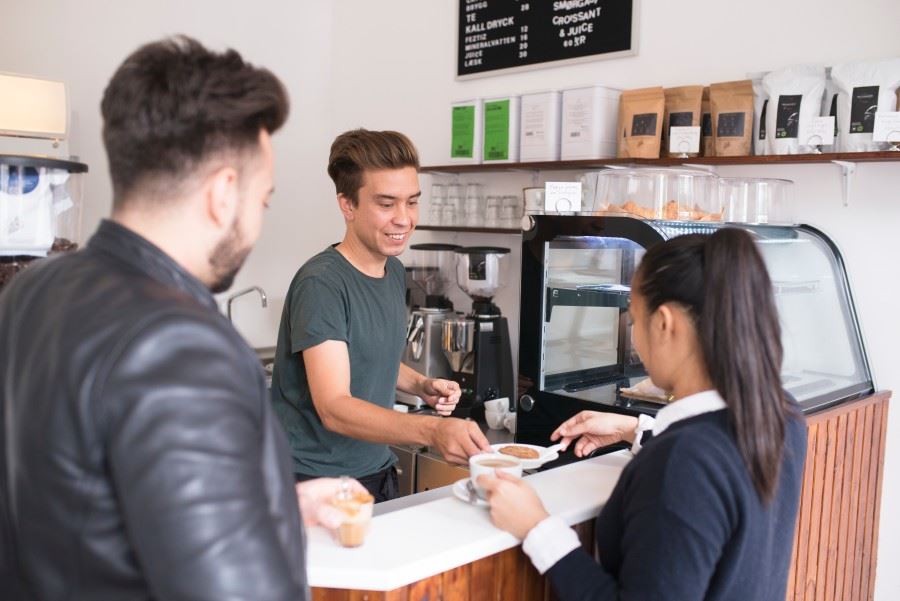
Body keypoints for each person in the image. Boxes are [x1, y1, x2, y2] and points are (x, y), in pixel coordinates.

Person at [0, 36, 365, 601]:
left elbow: (80, 500)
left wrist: (270, 507)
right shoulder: (183, 346)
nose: (258, 220)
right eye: (262, 200)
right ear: (223, 193)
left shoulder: (32, 290)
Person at [479, 228, 807, 601]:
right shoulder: (782, 413)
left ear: (665, 323)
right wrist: (635, 429)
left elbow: (694, 472)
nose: (633, 336)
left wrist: (536, 527)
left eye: (633, 319)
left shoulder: (680, 461)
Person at [270, 129, 491, 502]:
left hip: (376, 467)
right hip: (315, 480)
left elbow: (367, 355)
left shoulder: (393, 272)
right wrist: (432, 431)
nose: (404, 219)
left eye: (412, 202)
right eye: (387, 204)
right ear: (348, 205)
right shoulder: (322, 284)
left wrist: (421, 384)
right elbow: (334, 407)